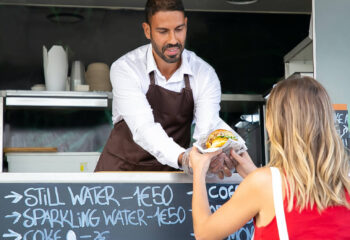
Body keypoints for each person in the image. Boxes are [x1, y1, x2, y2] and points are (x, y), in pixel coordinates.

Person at [190, 76, 350, 239]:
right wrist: (254, 173)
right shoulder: (346, 184)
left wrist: (199, 170)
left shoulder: (262, 184)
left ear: (276, 124)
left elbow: (204, 234)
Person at [94, 0, 236, 176]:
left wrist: (214, 155)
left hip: (170, 180)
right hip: (120, 175)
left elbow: (206, 130)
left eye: (179, 29)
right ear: (148, 31)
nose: (173, 40)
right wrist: (184, 158)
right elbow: (144, 128)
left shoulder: (204, 73)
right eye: (163, 31)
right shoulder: (126, 68)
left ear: (186, 24)